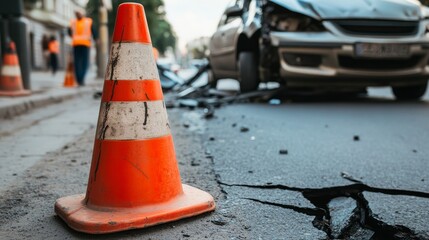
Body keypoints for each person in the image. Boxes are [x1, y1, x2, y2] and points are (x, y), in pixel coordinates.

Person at [68, 11, 97, 86]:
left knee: (80, 62)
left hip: (81, 44)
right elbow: (94, 31)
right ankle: (80, 79)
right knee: (82, 63)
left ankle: (80, 79)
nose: (78, 15)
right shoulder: (85, 21)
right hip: (81, 44)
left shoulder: (86, 21)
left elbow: (69, 32)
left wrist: (96, 38)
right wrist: (96, 38)